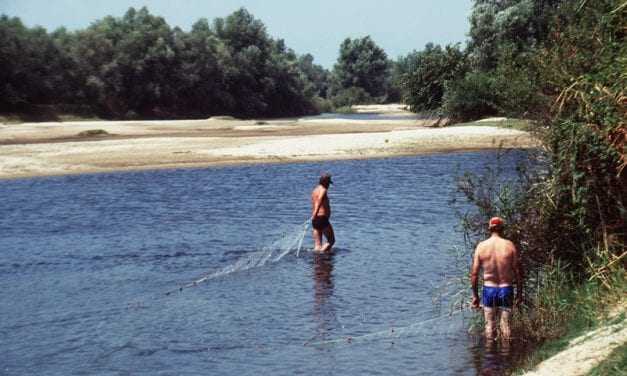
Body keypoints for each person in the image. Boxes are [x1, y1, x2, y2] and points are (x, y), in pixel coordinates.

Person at [470, 217, 523, 339]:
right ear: (502, 228)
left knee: (489, 326)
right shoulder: (509, 245)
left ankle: (490, 357)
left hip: (489, 289)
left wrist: (475, 296)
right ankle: (506, 356)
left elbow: (474, 274)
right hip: (506, 289)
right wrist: (519, 294)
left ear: (489, 228)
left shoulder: (481, 246)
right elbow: (518, 273)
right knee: (505, 325)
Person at [310, 173, 335, 252]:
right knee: (331, 240)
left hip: (315, 220)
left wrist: (314, 216)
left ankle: (318, 260)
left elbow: (314, 202)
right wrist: (316, 212)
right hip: (321, 218)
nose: (329, 185)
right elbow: (319, 201)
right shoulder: (323, 190)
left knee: (317, 245)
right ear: (325, 182)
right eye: (328, 183)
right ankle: (322, 254)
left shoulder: (314, 190)